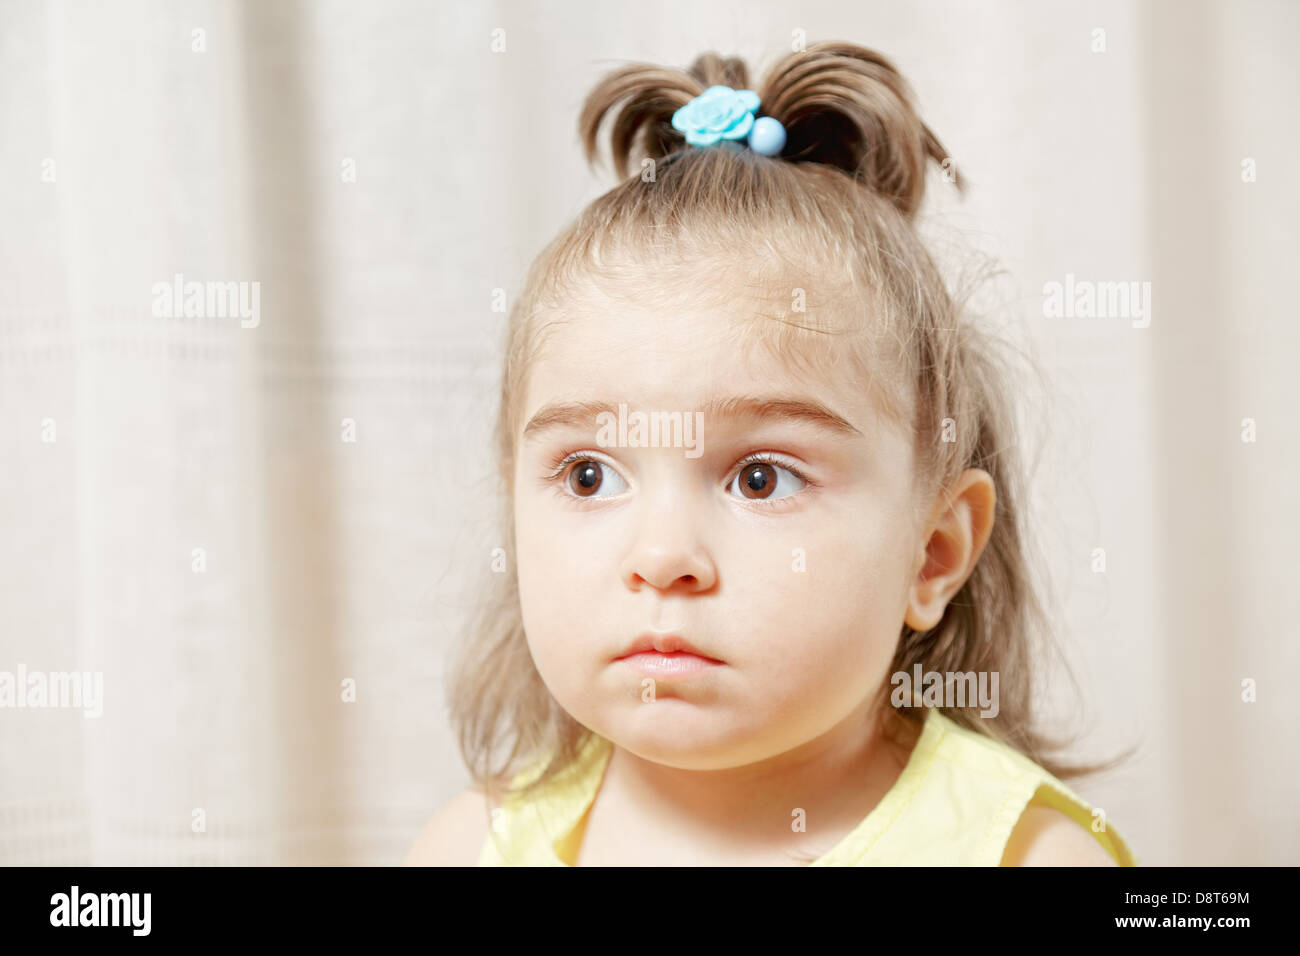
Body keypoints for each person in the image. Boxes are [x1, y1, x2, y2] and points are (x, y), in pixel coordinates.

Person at [406, 41, 1138, 867]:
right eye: (589, 474)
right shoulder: (475, 845)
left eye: (760, 478)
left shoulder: (1027, 856)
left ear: (931, 555)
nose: (662, 557)